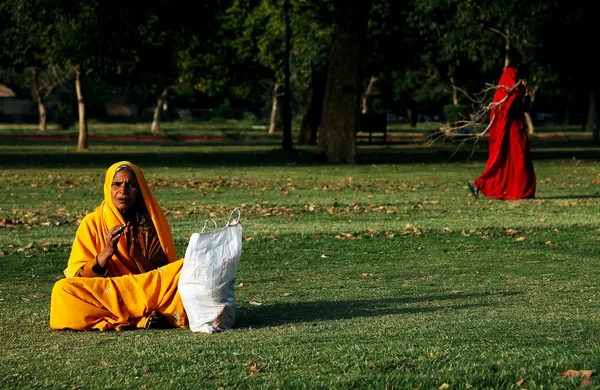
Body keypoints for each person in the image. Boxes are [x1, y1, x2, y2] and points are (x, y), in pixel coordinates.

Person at [50, 161, 188, 331]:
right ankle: (138, 320)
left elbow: (161, 275)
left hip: (142, 291)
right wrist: (107, 252)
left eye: (131, 185)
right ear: (108, 187)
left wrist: (137, 256)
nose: (123, 191)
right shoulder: (92, 223)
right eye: (117, 184)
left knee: (184, 270)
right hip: (108, 293)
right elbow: (78, 276)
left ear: (140, 191)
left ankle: (136, 316)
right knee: (62, 290)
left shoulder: (150, 225)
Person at [467, 65, 536, 200]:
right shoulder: (511, 95)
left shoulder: (501, 94)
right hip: (513, 133)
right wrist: (527, 92)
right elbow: (524, 108)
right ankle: (521, 191)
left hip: (510, 133)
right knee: (519, 160)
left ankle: (482, 184)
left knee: (509, 162)